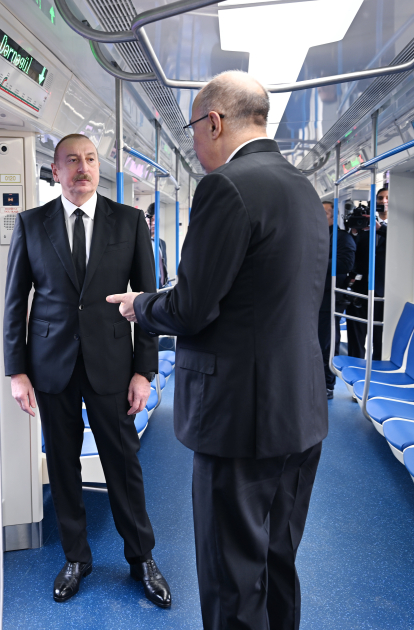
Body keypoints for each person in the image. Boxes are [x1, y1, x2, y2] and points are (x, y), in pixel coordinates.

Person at [107, 71, 328, 629]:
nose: (195, 145)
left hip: (240, 420)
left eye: (193, 132)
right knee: (277, 561)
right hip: (300, 412)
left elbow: (192, 308)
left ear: (214, 121)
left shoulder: (226, 187)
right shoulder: (303, 189)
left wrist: (140, 306)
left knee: (232, 578)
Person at [3, 133, 171, 608]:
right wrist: (17, 371)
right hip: (51, 365)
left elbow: (148, 302)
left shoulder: (129, 221)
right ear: (55, 171)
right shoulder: (32, 224)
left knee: (123, 463)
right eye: (72, 161)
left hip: (113, 363)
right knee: (62, 463)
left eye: (91, 159)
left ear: (100, 167)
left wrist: (144, 371)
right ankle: (76, 557)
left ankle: (142, 558)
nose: (83, 168)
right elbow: (15, 301)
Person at [319, 200, 356, 398]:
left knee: (327, 342)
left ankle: (327, 384)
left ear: (334, 216)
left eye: (324, 213)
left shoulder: (343, 238)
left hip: (331, 298)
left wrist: (315, 261)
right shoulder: (315, 235)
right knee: (314, 342)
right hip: (315, 296)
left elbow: (345, 264)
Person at [349, 187, 389, 360]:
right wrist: (354, 232)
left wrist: (380, 228)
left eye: (387, 198)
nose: (383, 201)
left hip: (384, 289)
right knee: (356, 334)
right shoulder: (364, 222)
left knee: (380, 337)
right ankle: (354, 365)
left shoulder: (400, 227)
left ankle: (377, 367)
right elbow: (351, 249)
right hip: (360, 286)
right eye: (380, 198)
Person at [145, 203, 169, 287]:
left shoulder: (162, 243)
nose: (154, 223)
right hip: (148, 287)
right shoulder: (142, 243)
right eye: (151, 220)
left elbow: (164, 266)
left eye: (156, 220)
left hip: (162, 287)